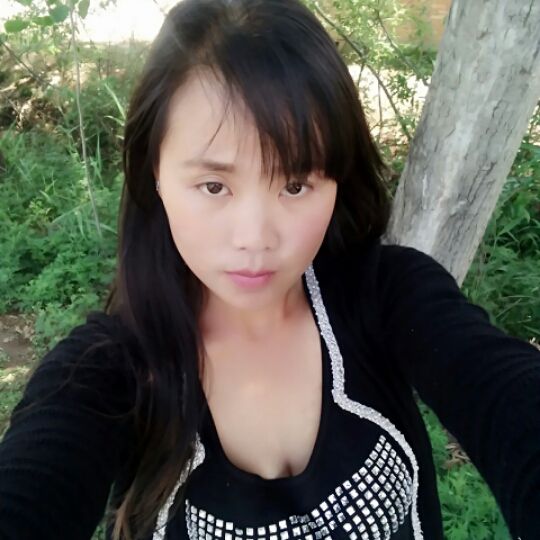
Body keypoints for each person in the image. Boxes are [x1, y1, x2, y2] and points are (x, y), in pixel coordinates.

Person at [0, 0, 538, 539]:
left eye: (296, 184)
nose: (255, 238)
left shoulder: (390, 297)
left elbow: (504, 391)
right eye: (214, 186)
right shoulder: (110, 369)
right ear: (154, 175)